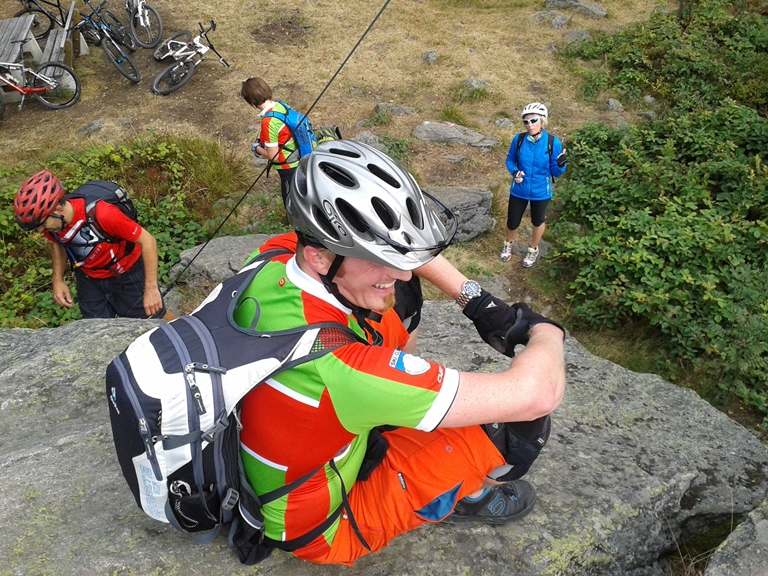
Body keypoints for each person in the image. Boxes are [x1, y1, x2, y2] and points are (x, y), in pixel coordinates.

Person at [233, 140, 566, 565]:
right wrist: (545, 332)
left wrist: (479, 303)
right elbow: (537, 394)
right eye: (376, 259)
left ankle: (388, 417)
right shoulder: (347, 371)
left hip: (292, 443)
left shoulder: (275, 257)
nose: (401, 271)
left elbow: (406, 263)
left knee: (399, 296)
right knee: (519, 426)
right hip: (323, 525)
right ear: (319, 257)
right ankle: (465, 494)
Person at [13, 170, 172, 320]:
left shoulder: (103, 213)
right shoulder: (53, 225)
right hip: (89, 278)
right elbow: (58, 243)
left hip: (126, 273)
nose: (40, 230)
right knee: (96, 328)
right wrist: (57, 279)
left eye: (41, 224)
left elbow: (148, 241)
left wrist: (151, 288)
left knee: (154, 319)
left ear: (58, 209)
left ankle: (182, 330)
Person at [501, 102, 567, 268]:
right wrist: (515, 171)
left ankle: (533, 249)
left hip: (541, 191)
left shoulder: (552, 142)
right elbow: (510, 159)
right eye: (526, 122)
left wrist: (561, 165)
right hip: (519, 189)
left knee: (537, 221)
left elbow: (556, 172)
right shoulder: (519, 139)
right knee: (512, 221)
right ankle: (508, 244)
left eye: (533, 120)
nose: (529, 125)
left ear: (542, 121)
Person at [240, 76, 302, 206]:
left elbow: (273, 156)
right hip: (299, 158)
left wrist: (256, 148)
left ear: (251, 100)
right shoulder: (281, 106)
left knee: (292, 206)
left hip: (288, 168)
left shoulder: (268, 121)